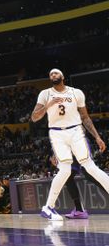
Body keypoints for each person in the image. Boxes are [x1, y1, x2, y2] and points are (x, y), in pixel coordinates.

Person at [31, 68, 109, 221]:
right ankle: (48, 208)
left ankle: (50, 207)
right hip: (56, 133)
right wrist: (48, 105)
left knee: (90, 166)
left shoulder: (76, 92)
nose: (53, 75)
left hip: (75, 131)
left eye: (56, 73)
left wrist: (97, 137)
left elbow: (85, 117)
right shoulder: (45, 94)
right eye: (51, 74)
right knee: (65, 170)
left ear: (63, 76)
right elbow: (34, 117)